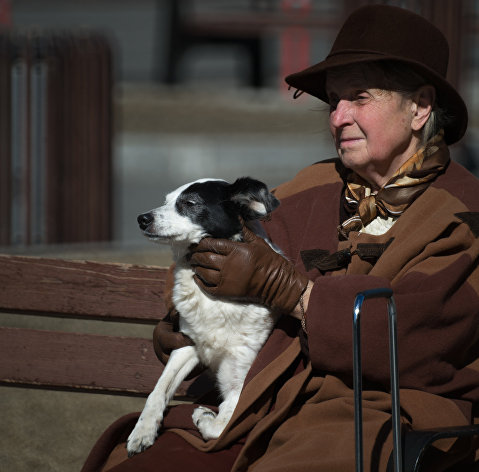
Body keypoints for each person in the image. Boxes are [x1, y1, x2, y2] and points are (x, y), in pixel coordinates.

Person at [82, 5, 479, 472]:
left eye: (360, 97)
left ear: (421, 107)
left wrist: (289, 291)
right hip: (261, 397)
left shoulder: (461, 212)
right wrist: (202, 290)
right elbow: (215, 276)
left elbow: (413, 338)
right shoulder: (311, 187)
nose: (338, 118)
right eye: (334, 101)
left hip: (380, 415)